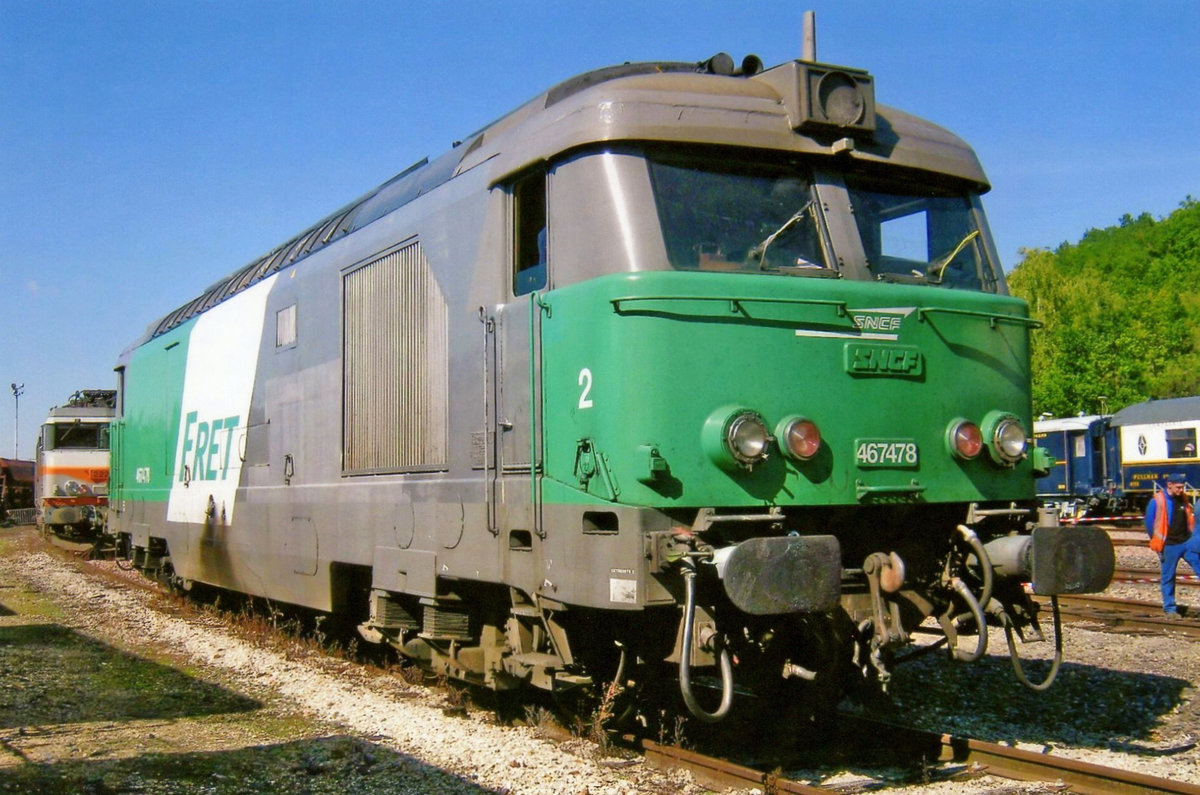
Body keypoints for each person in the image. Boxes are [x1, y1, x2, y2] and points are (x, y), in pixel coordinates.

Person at [1144, 473, 1200, 618]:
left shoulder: (1183, 499)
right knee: (1168, 577)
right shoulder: (1158, 501)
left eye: (1182, 487)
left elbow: (1189, 519)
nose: (1181, 490)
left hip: (1187, 543)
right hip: (1169, 545)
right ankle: (1170, 608)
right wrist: (1157, 543)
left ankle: (1170, 607)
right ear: (1170, 485)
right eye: (1178, 487)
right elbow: (1150, 524)